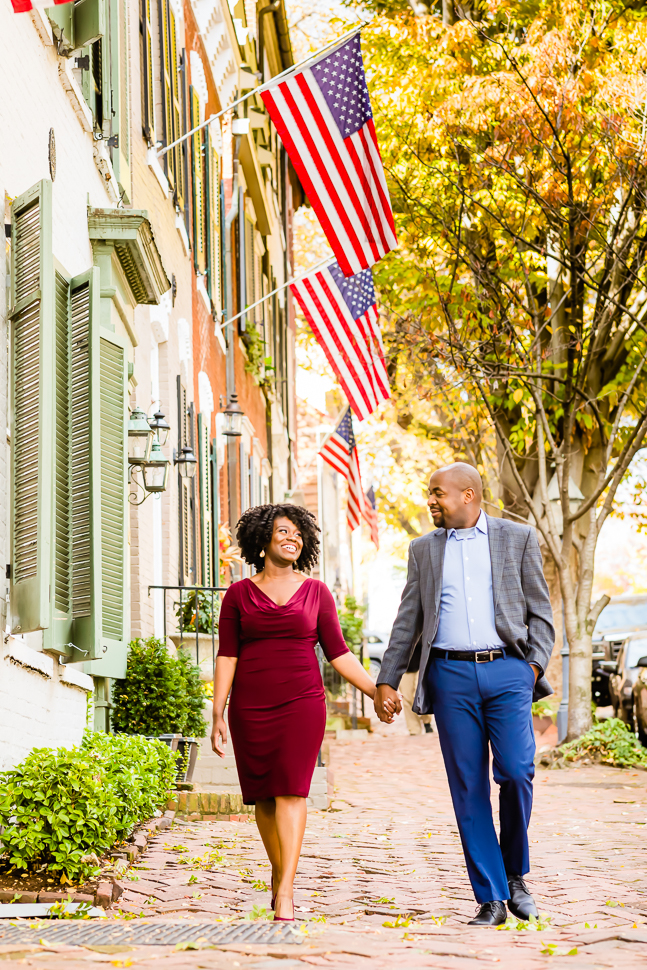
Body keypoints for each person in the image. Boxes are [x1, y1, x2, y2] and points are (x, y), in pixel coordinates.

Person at [374, 463, 554, 927]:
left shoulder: (518, 538)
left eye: (438, 493)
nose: (431, 501)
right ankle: (491, 897)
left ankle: (514, 874)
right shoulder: (423, 551)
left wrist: (531, 668)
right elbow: (407, 621)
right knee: (468, 787)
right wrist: (386, 679)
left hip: (508, 673)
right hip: (451, 677)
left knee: (516, 772)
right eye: (429, 493)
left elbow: (541, 613)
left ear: (469, 494)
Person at [211, 503, 379, 922]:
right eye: (283, 532)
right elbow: (227, 655)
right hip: (250, 705)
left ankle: (285, 892)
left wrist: (376, 691)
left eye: (298, 534)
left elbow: (338, 653)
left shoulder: (317, 592)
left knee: (291, 789)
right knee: (263, 797)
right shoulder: (238, 594)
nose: (292, 538)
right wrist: (218, 712)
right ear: (263, 539)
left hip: (302, 703)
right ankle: (279, 872)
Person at [400, 641, 434, 736]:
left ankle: (427, 721)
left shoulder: (424, 626)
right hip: (405, 667)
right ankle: (414, 728)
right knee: (406, 698)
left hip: (422, 665)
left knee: (421, 695)